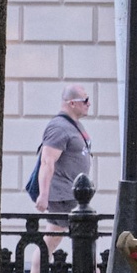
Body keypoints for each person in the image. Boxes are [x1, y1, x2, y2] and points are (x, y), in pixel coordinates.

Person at [37, 86, 96, 214]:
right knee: (65, 226)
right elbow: (47, 161)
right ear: (72, 103)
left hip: (72, 194)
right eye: (85, 100)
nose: (89, 104)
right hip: (62, 196)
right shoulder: (59, 127)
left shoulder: (73, 124)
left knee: (74, 225)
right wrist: (43, 195)